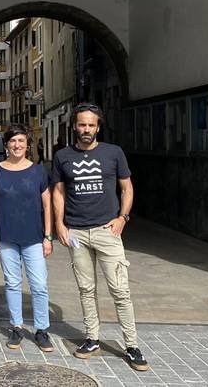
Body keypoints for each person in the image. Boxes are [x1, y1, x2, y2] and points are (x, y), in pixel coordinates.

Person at [52, 103, 149, 371]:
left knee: (120, 290)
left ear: (98, 127)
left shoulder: (113, 153)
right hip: (77, 233)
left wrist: (123, 218)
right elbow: (58, 193)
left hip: (107, 232)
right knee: (86, 289)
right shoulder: (62, 156)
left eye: (91, 125)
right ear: (74, 126)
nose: (86, 129)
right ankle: (92, 338)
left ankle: (131, 345)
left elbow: (127, 188)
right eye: (82, 124)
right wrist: (59, 224)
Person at [0, 123, 54, 352]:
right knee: (12, 284)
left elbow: (47, 204)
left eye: (21, 141)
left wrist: (48, 237)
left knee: (39, 285)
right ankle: (16, 327)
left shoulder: (38, 171)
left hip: (33, 236)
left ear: (27, 145)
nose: (17, 145)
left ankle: (42, 330)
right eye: (13, 141)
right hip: (5, 236)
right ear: (6, 145)